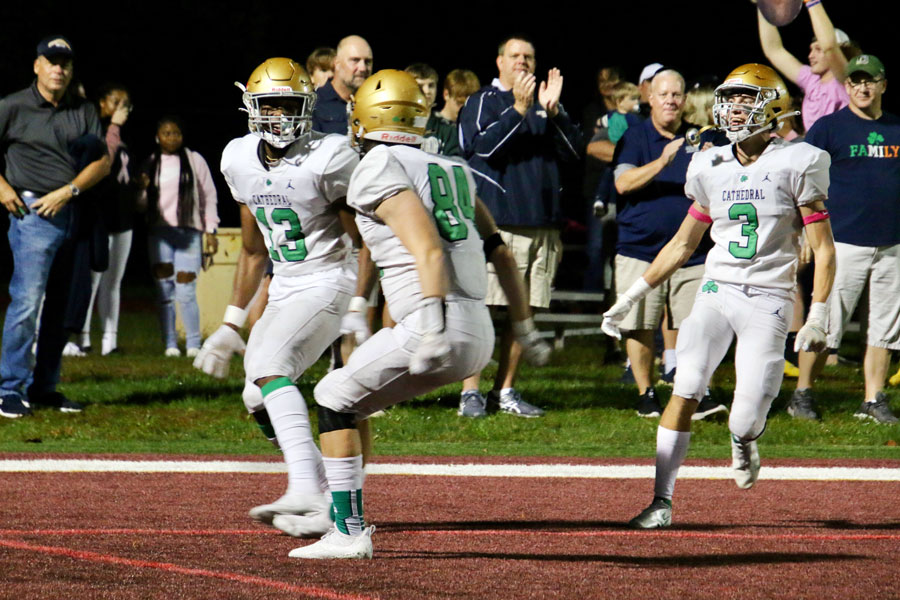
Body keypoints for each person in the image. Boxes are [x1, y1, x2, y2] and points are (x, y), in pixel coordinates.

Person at [287, 69, 538, 560]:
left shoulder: (377, 165)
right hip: (480, 329)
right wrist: (526, 328)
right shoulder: (452, 168)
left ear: (361, 121)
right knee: (349, 400)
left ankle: (347, 529)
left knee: (331, 395)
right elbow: (501, 253)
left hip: (433, 321)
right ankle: (342, 514)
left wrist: (431, 324)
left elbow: (425, 246)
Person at [603, 63, 836, 529]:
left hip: (769, 297)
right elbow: (684, 243)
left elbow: (824, 248)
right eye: (729, 99)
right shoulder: (710, 163)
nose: (731, 108)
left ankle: (745, 439)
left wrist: (819, 314)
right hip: (717, 288)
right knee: (686, 383)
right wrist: (631, 296)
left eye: (744, 99)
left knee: (744, 419)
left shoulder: (797, 160)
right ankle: (661, 499)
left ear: (771, 106)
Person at [193, 57, 363, 537]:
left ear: (307, 106)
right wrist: (230, 323)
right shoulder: (238, 158)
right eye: (270, 106)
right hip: (287, 283)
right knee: (255, 394)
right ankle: (328, 493)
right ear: (252, 108)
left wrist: (360, 305)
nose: (280, 117)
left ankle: (307, 488)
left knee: (270, 370)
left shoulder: (329, 156)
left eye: (290, 105)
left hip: (330, 278)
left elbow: (362, 239)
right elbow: (251, 250)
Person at [456, 34, 582, 418]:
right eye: (515, 56)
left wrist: (554, 111)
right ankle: (471, 392)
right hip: (499, 224)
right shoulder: (483, 100)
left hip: (542, 223)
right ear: (499, 62)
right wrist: (518, 109)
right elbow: (482, 149)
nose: (523, 62)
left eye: (529, 56)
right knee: (482, 310)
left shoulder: (547, 106)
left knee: (522, 314)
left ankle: (505, 391)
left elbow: (575, 154)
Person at [0, 36, 110, 418]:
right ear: (37, 66)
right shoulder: (12, 106)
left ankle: (44, 387)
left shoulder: (83, 109)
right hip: (31, 213)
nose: (58, 68)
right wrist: (2, 188)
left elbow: (102, 162)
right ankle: (9, 389)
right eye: (51, 61)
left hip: (71, 210)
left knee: (60, 307)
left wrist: (69, 191)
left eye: (65, 63)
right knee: (28, 301)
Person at [788, 55, 900, 424]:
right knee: (825, 324)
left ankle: (873, 399)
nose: (862, 88)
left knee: (885, 327)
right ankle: (802, 393)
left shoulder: (897, 128)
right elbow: (800, 179)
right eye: (855, 82)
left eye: (870, 81)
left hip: (892, 243)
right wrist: (803, 228)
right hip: (843, 242)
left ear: (883, 84)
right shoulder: (828, 128)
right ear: (847, 86)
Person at [612, 69, 725, 419]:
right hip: (641, 248)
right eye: (664, 95)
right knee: (638, 325)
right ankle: (646, 392)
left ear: (685, 100)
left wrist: (714, 160)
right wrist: (662, 161)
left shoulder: (704, 137)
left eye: (677, 94)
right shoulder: (635, 136)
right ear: (650, 98)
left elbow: (731, 175)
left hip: (693, 251)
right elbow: (622, 183)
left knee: (698, 323)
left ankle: (694, 391)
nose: (671, 101)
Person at [138, 116, 219, 357]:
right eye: (166, 133)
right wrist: (141, 189)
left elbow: (208, 195)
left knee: (186, 288)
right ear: (157, 137)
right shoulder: (152, 163)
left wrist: (210, 230)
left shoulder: (195, 161)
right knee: (164, 291)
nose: (171, 137)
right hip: (160, 234)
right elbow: (141, 206)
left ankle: (193, 343)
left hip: (188, 233)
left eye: (176, 133)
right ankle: (170, 343)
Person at [77, 83, 136, 356]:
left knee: (114, 283)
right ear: (102, 103)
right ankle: (82, 338)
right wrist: (113, 125)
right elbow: (105, 163)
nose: (121, 109)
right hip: (99, 218)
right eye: (115, 101)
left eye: (125, 104)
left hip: (123, 218)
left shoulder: (125, 135)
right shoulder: (95, 129)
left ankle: (109, 341)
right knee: (92, 280)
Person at [755, 0, 858, 131]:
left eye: (818, 49)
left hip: (838, 148)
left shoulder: (847, 80)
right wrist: (763, 5)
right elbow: (774, 50)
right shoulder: (811, 80)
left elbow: (829, 47)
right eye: (811, 49)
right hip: (815, 147)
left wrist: (811, 2)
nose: (810, 56)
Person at [311, 35, 373, 134]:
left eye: (368, 62)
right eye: (355, 60)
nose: (363, 68)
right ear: (337, 63)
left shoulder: (376, 104)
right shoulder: (314, 103)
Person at [405, 63, 461, 157]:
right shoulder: (396, 126)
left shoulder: (448, 130)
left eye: (431, 85)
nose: (427, 91)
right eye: (420, 86)